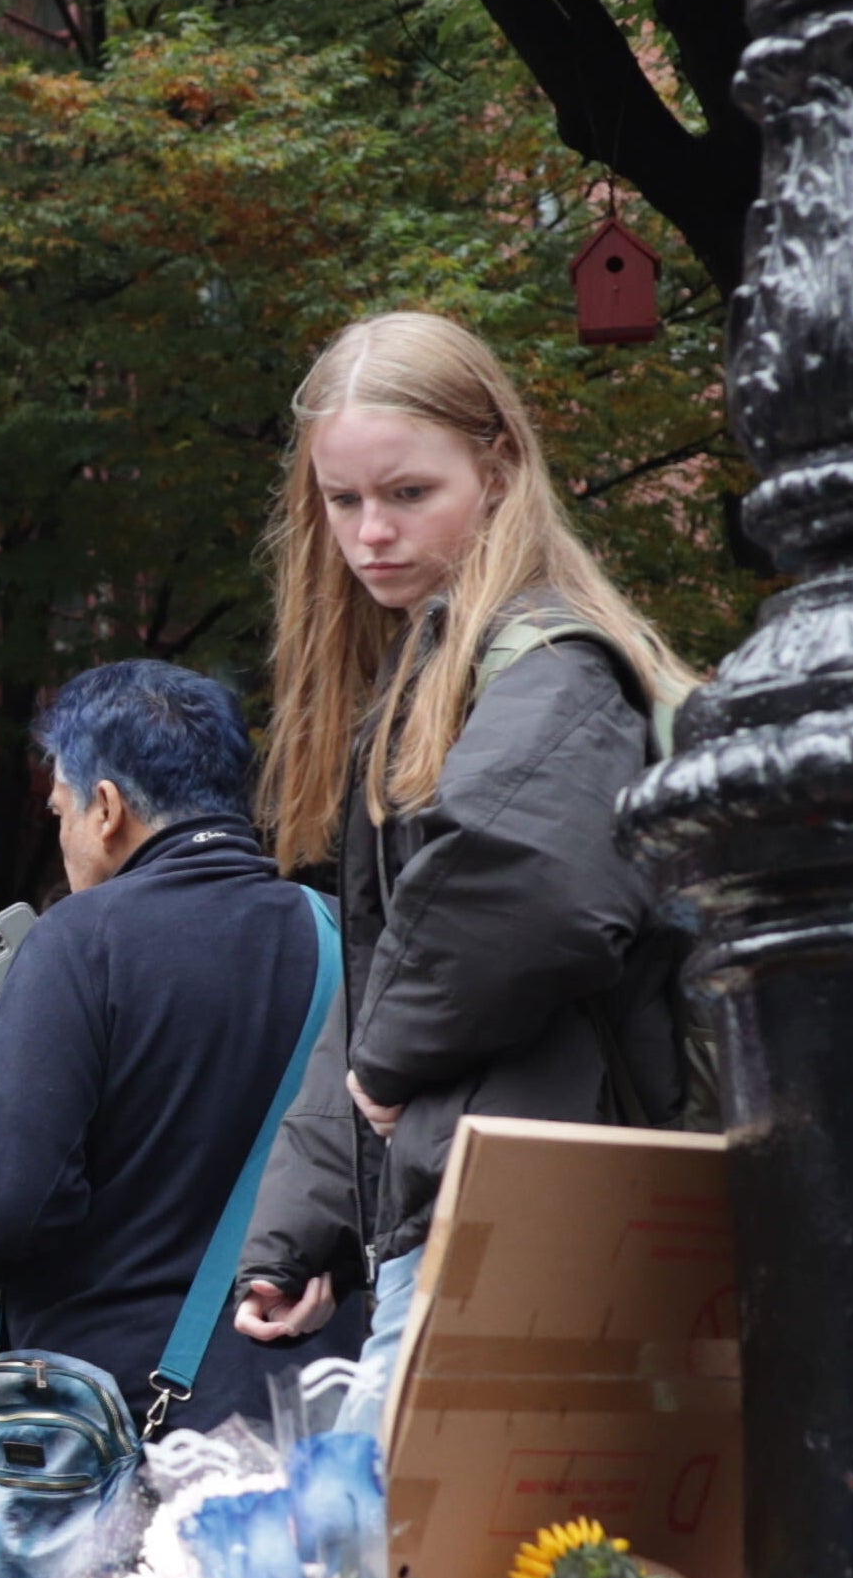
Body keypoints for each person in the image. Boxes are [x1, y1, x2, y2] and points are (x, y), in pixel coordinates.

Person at [230, 310, 697, 1428]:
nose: (369, 532)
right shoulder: (457, 668)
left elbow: (524, 891)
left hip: (528, 1233)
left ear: (497, 469)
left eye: (406, 494)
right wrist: (300, 1232)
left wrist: (386, 1070)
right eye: (342, 502)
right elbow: (392, 970)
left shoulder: (547, 668)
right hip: (488, 1219)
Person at [0, 662, 334, 1437]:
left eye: (59, 811)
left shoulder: (77, 943)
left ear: (105, 807)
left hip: (131, 1434)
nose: (61, 837)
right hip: (320, 1417)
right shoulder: (345, 936)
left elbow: (2, 1212)